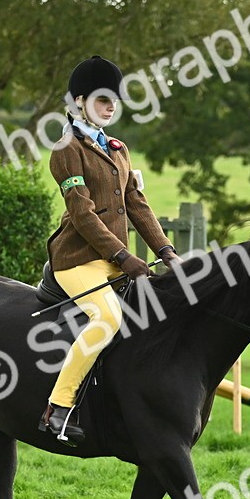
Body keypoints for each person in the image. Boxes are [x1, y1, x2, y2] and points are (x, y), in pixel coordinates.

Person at [39, 55, 181, 446]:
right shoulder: (66, 147)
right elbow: (82, 215)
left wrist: (167, 252)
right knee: (107, 318)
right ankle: (59, 408)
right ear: (80, 101)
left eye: (115, 99)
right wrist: (123, 256)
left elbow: (137, 205)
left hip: (114, 259)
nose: (111, 106)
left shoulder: (118, 149)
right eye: (103, 99)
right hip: (77, 259)